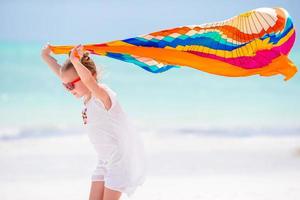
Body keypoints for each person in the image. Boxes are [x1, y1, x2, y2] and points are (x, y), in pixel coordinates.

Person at [41, 43, 147, 200]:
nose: (69, 89)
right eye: (66, 86)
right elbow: (65, 75)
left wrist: (75, 61)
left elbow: (89, 82)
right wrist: (46, 57)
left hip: (119, 162)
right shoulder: (87, 98)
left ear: (90, 75)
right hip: (104, 162)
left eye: (71, 85)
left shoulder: (102, 96)